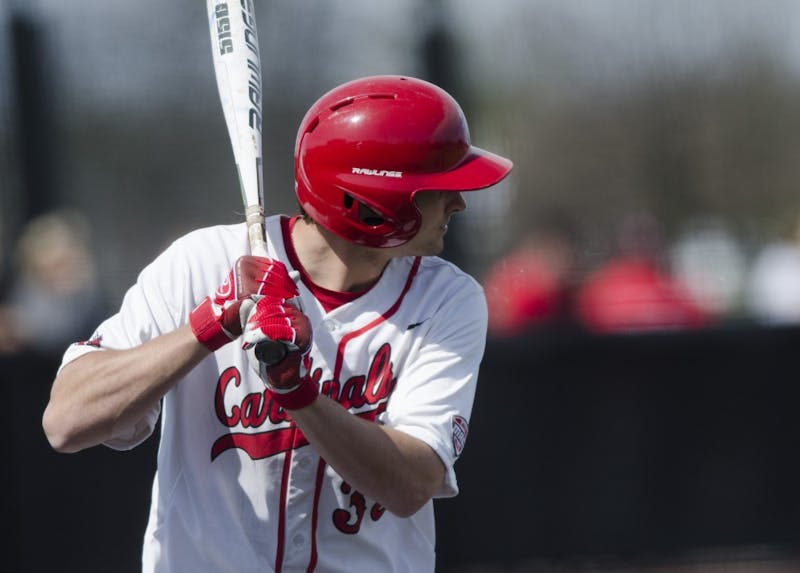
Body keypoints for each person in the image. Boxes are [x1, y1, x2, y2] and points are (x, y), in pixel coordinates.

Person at [42, 75, 513, 573]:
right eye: (439, 188)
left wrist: (295, 388)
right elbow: (65, 422)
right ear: (376, 201)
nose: (458, 203)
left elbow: (409, 484)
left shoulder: (447, 299)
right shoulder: (201, 263)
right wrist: (210, 325)